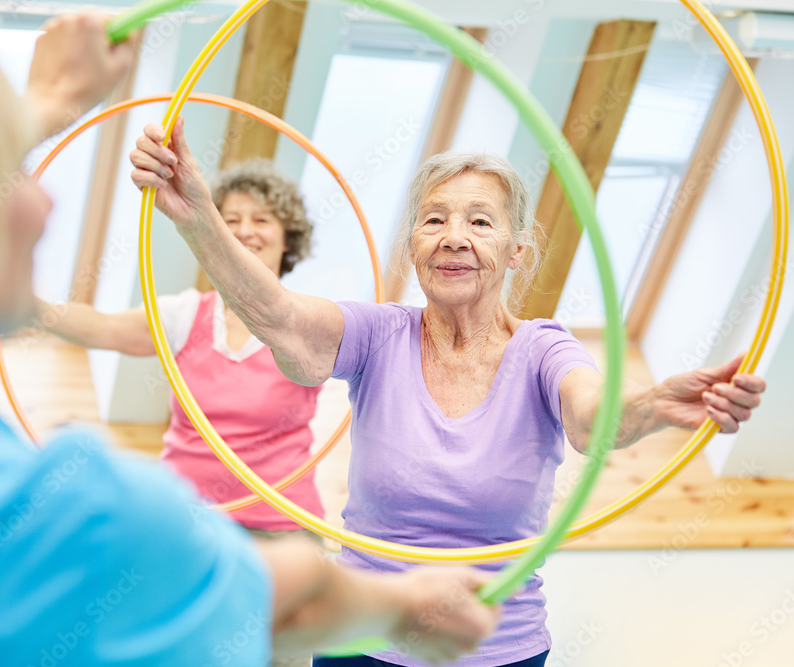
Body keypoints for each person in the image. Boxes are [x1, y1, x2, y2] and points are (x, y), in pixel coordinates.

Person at [0, 3, 501, 665]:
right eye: (9, 175)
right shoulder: (84, 517)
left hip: (277, 522)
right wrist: (405, 603)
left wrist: (40, 109)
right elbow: (294, 601)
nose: (44, 204)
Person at [128, 120, 769, 667]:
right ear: (413, 248)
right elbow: (281, 318)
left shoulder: (544, 349)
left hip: (495, 646)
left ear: (519, 251)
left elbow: (592, 416)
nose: (454, 236)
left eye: (480, 221)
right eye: (434, 219)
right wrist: (197, 218)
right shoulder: (379, 335)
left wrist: (654, 404)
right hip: (361, 634)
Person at [38, 160, 325, 537]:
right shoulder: (187, 313)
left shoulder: (313, 322)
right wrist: (27, 307)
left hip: (280, 522)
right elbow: (102, 328)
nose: (245, 231)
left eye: (261, 220)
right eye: (232, 220)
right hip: (186, 516)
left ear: (288, 237)